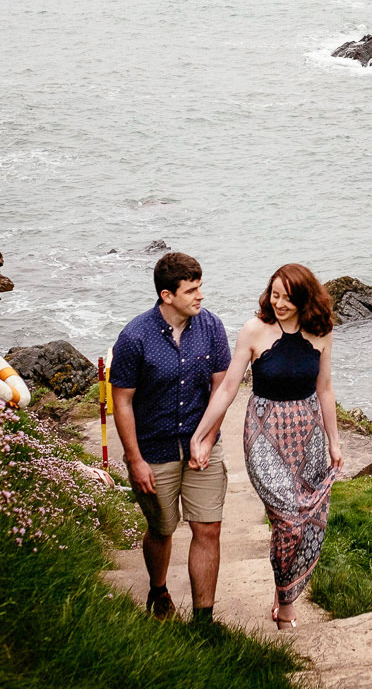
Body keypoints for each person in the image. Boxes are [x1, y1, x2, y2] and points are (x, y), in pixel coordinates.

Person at [191, 263, 343, 628]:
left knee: (306, 520)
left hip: (308, 436)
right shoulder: (253, 330)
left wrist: (334, 442)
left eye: (287, 298)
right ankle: (287, 602)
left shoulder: (321, 333)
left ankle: (282, 591)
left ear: (304, 299)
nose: (279, 303)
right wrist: (201, 433)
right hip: (264, 436)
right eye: (274, 295)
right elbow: (228, 387)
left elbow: (324, 388)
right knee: (289, 520)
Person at [110, 251, 232, 623]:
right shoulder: (134, 337)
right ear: (167, 295)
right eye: (191, 290)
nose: (200, 296)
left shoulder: (212, 327)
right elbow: (122, 402)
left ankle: (204, 620)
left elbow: (221, 390)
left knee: (208, 528)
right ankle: (158, 590)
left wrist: (207, 439)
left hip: (202, 445)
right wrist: (135, 460)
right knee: (162, 530)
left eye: (200, 287)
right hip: (153, 449)